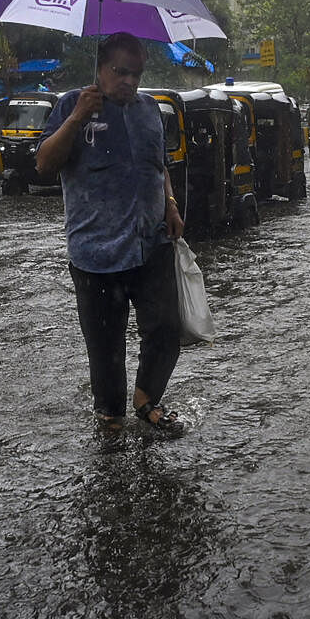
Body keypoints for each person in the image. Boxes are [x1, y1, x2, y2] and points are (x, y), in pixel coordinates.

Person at [35, 32, 187, 435]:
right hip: (96, 253)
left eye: (135, 74)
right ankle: (110, 418)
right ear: (100, 68)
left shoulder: (150, 108)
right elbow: (45, 164)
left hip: (150, 242)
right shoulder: (72, 105)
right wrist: (77, 118)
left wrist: (170, 204)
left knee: (167, 327)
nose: (129, 82)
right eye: (120, 72)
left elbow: (159, 165)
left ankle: (147, 401)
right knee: (106, 349)